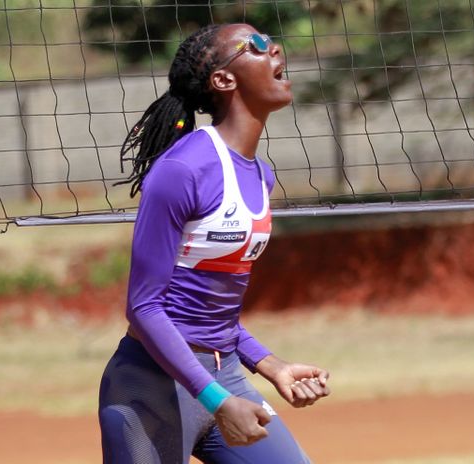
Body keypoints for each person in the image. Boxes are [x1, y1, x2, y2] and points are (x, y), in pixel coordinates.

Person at [99, 23, 330, 464]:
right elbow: (144, 307)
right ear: (223, 80)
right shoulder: (182, 171)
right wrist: (216, 401)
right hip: (152, 387)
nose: (274, 47)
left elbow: (211, 308)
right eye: (258, 45)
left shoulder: (261, 176)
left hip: (225, 378)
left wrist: (270, 364)